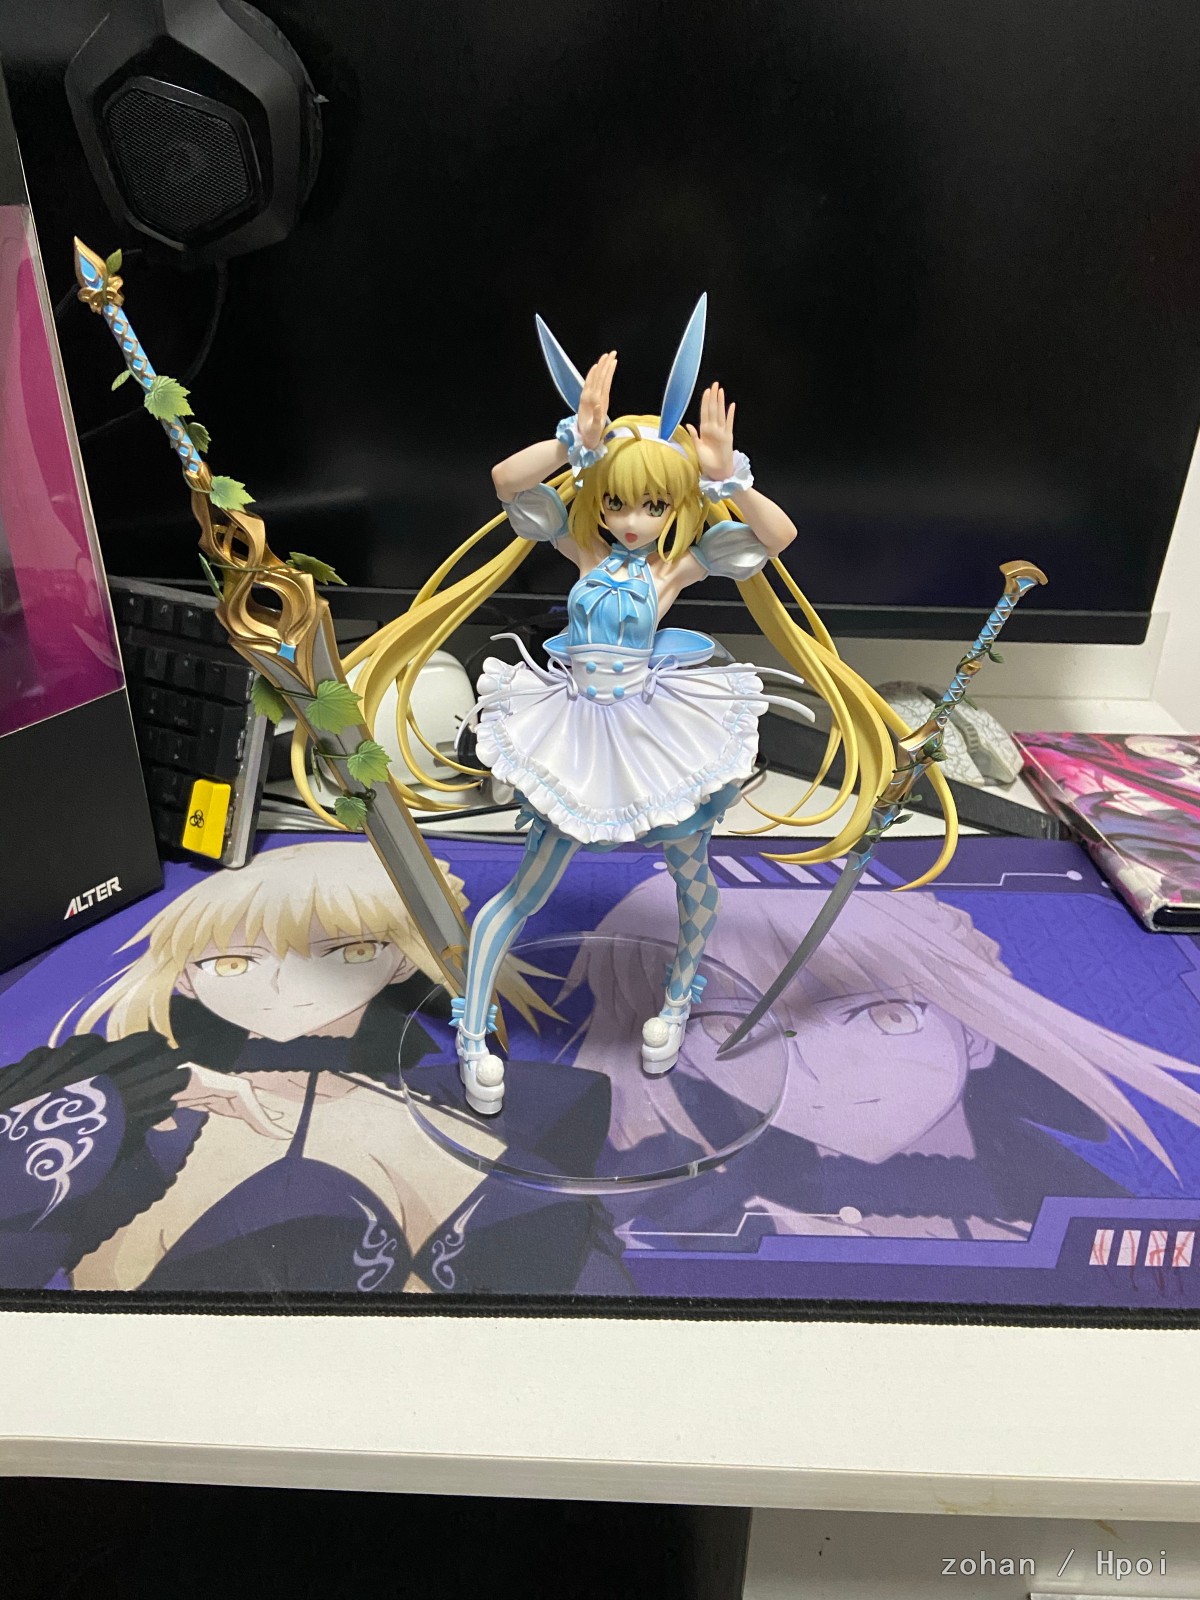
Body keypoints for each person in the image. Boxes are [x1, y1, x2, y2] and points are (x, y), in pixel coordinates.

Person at [305, 298, 956, 1115]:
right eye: (617, 503)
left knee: (691, 874)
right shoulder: (582, 545)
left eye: (652, 506)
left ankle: (677, 1000)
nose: (632, 521)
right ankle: (473, 1030)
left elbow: (778, 538)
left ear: (676, 505)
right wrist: (571, 443)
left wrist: (729, 476)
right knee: (527, 887)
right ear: (599, 500)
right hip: (575, 726)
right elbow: (506, 483)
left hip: (653, 728)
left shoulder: (676, 566)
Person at [0, 841, 625, 1295]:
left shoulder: (488, 1108)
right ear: (186, 978)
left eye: (349, 952)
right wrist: (154, 1087)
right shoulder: (139, 1111)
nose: (285, 988)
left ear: (401, 961)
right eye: (235, 964)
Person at [563, 878, 1200, 1241]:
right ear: (687, 1059)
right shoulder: (662, 1218)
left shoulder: (1102, 1222)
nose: (820, 1073)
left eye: (885, 1016)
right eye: (729, 1028)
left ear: (975, 1035)